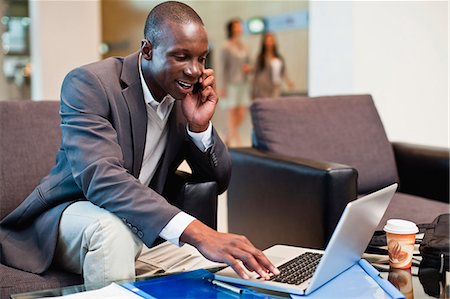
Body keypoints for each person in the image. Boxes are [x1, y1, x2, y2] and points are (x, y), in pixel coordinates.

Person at [0, 1, 279, 289]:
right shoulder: (90, 84)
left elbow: (218, 181)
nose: (195, 71)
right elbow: (102, 178)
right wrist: (197, 232)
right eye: (181, 57)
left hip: (137, 222)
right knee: (112, 233)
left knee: (219, 271)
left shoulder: (182, 98)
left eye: (202, 59)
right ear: (147, 50)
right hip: (72, 215)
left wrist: (199, 126)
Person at [220, 18, 252, 147]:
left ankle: (228, 134)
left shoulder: (244, 46)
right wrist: (222, 86)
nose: (240, 28)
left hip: (244, 84)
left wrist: (249, 68)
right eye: (237, 26)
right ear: (232, 28)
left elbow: (250, 63)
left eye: (240, 26)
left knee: (242, 113)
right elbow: (223, 68)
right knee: (232, 115)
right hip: (231, 84)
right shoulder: (226, 46)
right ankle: (237, 145)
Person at [252, 32, 294, 100]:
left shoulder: (279, 58)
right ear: (264, 43)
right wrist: (253, 90)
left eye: (271, 41)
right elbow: (255, 73)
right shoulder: (260, 57)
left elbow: (283, 71)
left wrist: (288, 82)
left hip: (275, 86)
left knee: (274, 103)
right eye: (267, 41)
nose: (269, 43)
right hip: (263, 86)